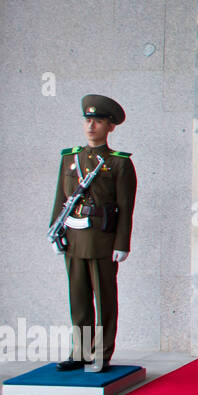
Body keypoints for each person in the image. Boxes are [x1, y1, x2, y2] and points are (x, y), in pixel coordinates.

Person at [49, 95, 136, 372]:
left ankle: (101, 353)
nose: (91, 126)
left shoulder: (120, 164)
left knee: (105, 300)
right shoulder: (70, 158)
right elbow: (60, 200)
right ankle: (80, 351)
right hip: (74, 238)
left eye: (98, 121)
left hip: (102, 239)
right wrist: (56, 231)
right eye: (88, 120)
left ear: (110, 127)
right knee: (78, 297)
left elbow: (125, 207)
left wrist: (122, 243)